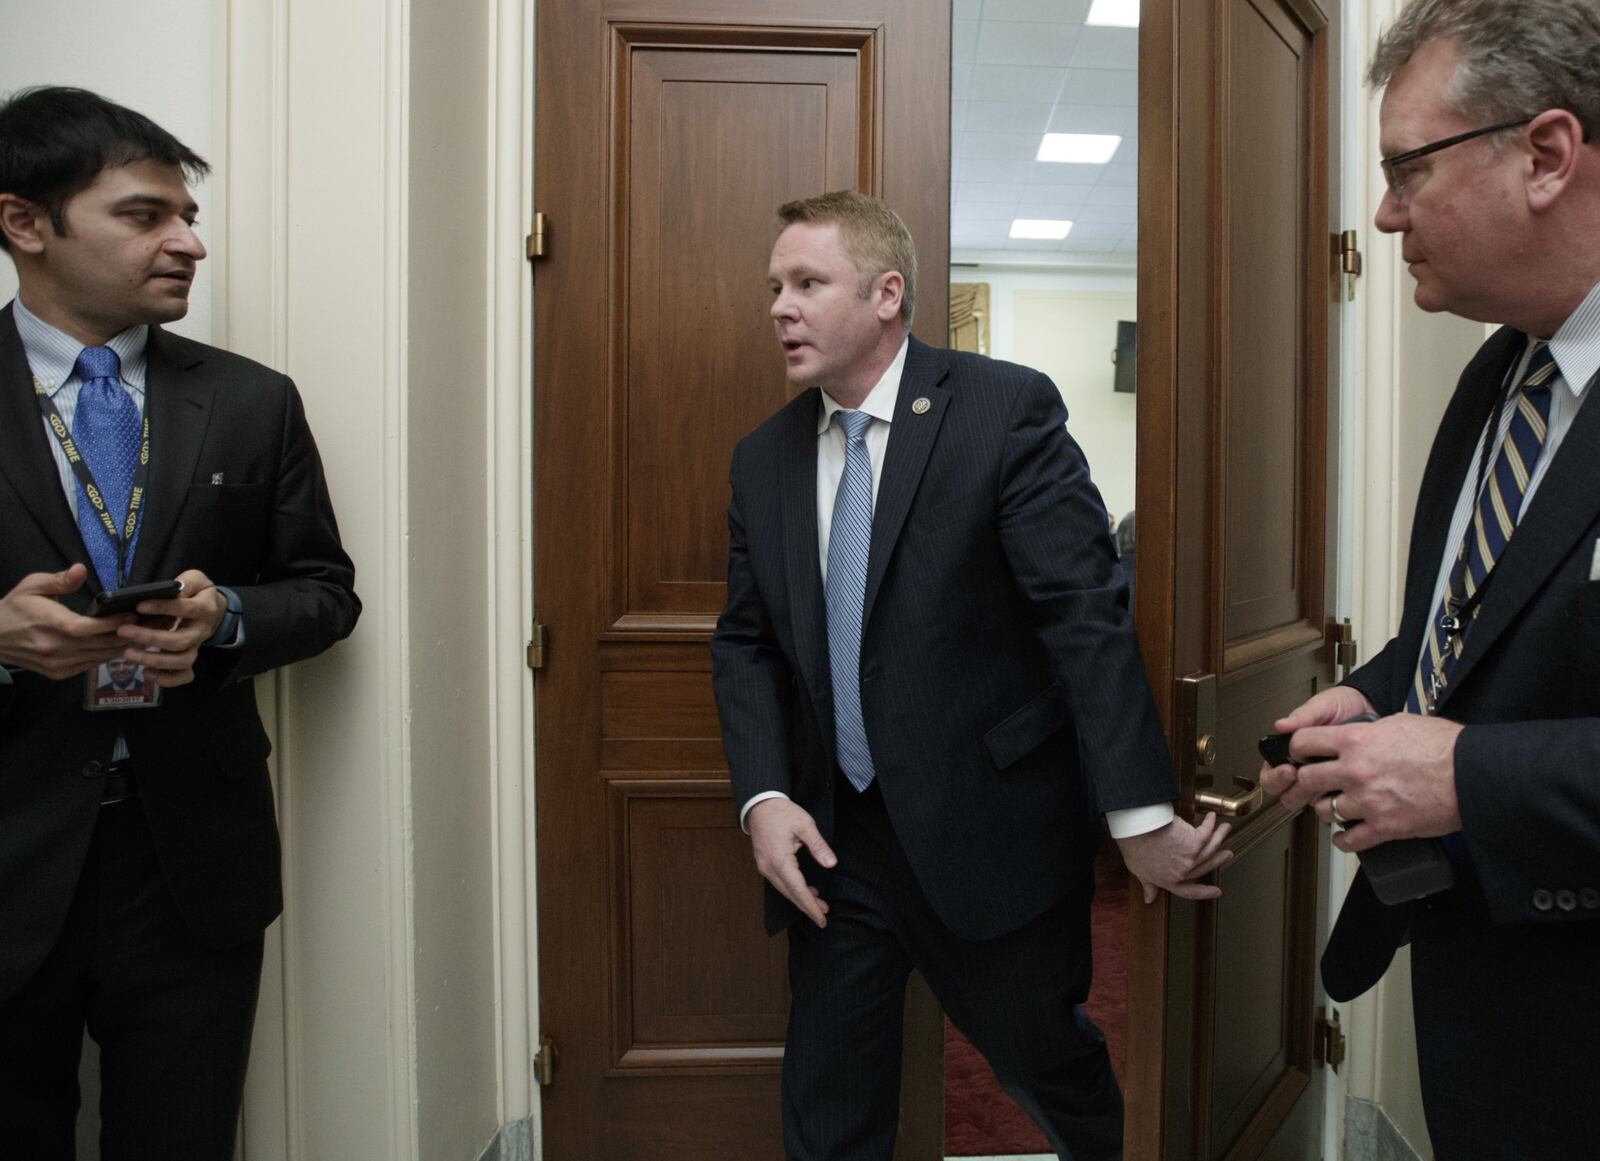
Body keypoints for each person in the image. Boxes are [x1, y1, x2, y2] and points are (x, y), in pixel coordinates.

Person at [710, 190, 1231, 1161]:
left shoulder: (1001, 410)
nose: (779, 305)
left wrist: (1138, 817)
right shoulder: (762, 460)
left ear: (885, 294)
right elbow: (744, 642)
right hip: (837, 841)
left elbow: (1079, 615)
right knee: (829, 1106)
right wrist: (764, 796)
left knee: (1055, 1073)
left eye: (807, 283)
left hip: (989, 830)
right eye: (774, 286)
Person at [1259, 2, 1600, 1154]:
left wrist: (1471, 776)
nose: (1384, 210)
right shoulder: (1497, 376)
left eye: (1409, 166)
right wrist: (1372, 695)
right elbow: (1467, 626)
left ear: (1545, 156)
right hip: (1479, 998)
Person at [0, 87, 359, 1157]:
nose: (188, 242)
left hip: (191, 866)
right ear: (25, 223)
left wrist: (228, 618)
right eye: (145, 215)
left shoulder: (253, 402)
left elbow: (325, 589)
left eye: (187, 215)